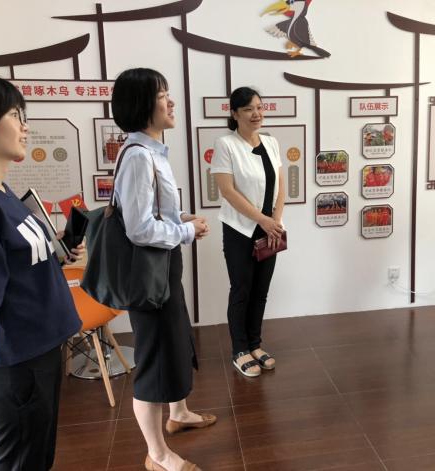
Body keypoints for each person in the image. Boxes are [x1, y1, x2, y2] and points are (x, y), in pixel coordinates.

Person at [0, 72, 85, 470]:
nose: (26, 127)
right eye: (15, 115)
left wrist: (52, 249)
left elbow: (13, 260)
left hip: (36, 353)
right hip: (15, 363)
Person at [111, 68, 214, 471]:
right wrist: (186, 230)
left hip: (163, 268)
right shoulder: (139, 156)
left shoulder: (151, 151)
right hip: (150, 275)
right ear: (142, 105)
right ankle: (157, 454)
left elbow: (154, 214)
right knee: (154, 357)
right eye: (162, 96)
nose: (171, 102)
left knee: (174, 341)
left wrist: (182, 219)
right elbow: (139, 229)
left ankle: (179, 413)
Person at [212, 87, 286, 377]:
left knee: (261, 291)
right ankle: (240, 350)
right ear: (234, 114)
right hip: (240, 229)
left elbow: (280, 185)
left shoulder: (271, 142)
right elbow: (228, 191)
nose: (256, 114)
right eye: (248, 109)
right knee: (241, 290)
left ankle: (255, 344)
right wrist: (263, 220)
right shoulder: (226, 144)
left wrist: (275, 220)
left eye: (259, 107)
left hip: (271, 228)